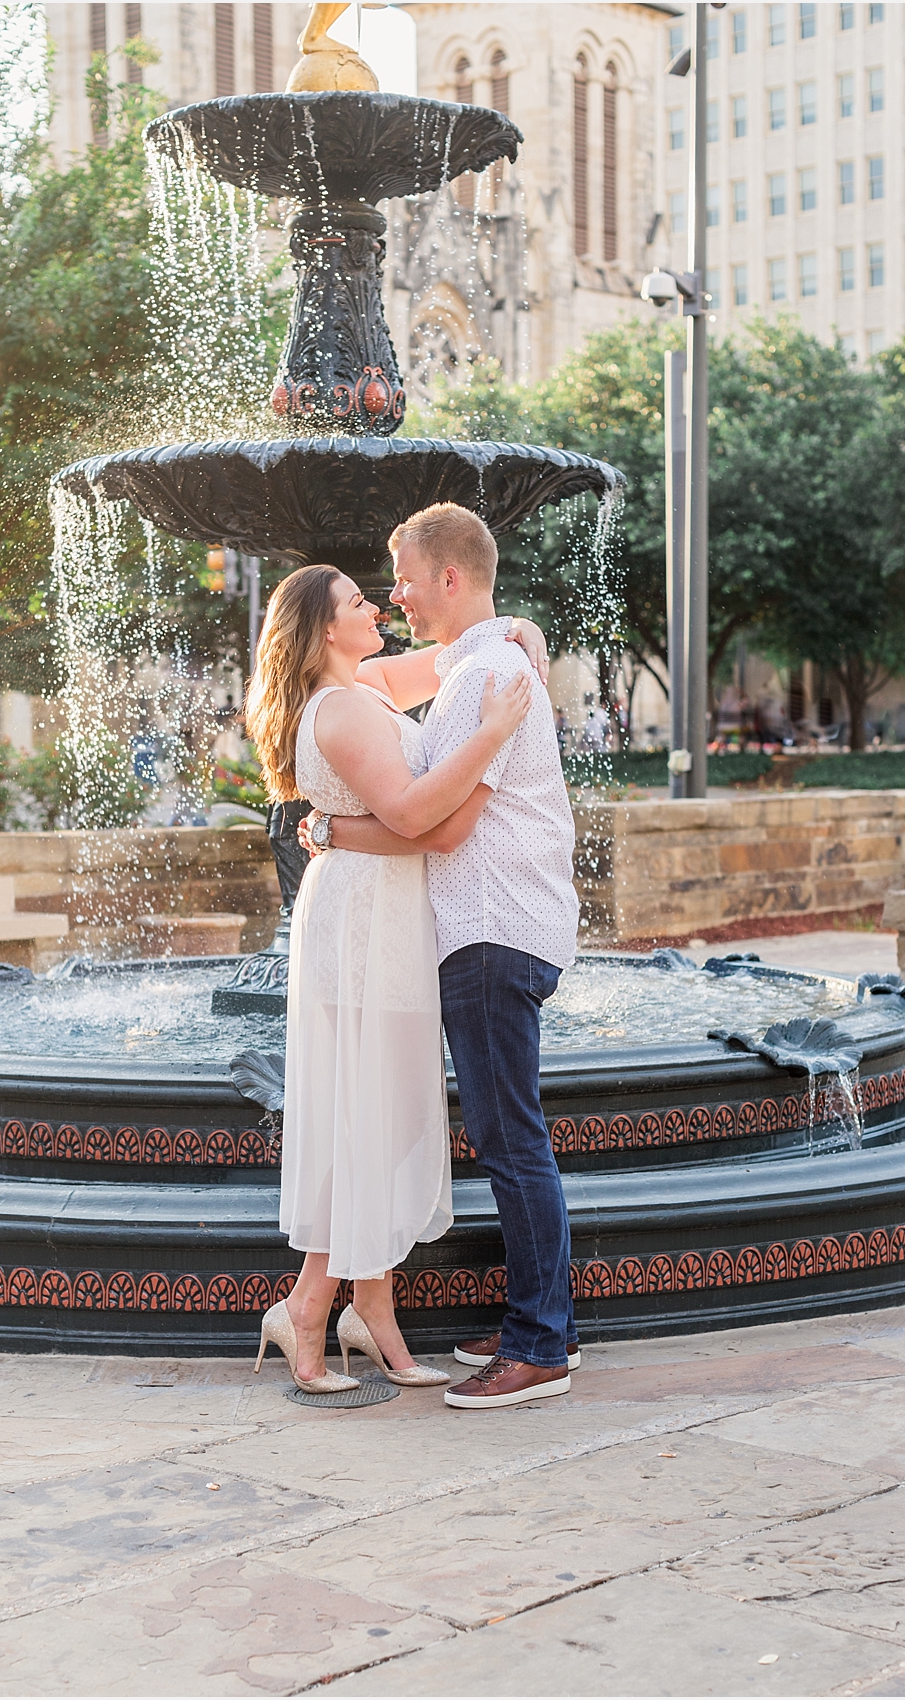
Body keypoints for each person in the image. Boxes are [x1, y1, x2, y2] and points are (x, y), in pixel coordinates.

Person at [301, 503, 581, 1410]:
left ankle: (541, 1346)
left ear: (449, 579)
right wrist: (516, 625)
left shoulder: (480, 681)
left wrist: (333, 826)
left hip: (493, 930)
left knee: (511, 1141)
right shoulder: (478, 665)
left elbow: (444, 824)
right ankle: (528, 1321)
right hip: (493, 929)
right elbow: (388, 680)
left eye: (407, 579)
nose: (396, 596)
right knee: (508, 1135)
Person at [243, 561, 542, 1393]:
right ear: (321, 632)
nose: (373, 606)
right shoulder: (338, 708)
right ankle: (308, 1307)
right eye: (353, 603)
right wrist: (490, 736)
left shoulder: (369, 681)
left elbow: (455, 651)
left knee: (380, 1111)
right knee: (361, 1112)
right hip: (363, 919)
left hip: (389, 910)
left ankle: (371, 1307)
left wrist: (523, 633)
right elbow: (415, 819)